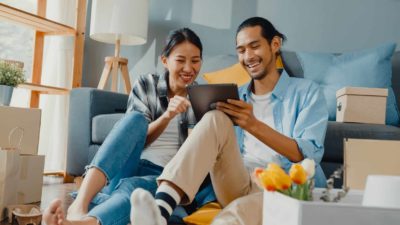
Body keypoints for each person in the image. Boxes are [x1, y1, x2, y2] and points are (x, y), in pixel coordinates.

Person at [129, 17, 329, 225]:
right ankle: (160, 212)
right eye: (241, 50)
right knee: (214, 117)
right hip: (238, 182)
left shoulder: (306, 92)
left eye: (254, 46)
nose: (248, 56)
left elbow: (309, 155)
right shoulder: (233, 95)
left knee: (234, 215)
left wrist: (252, 125)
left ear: (275, 44)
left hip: (285, 187)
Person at [43, 28, 215, 225]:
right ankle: (80, 204)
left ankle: (82, 222)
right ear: (165, 60)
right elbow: (138, 137)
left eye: (195, 61)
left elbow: (196, 155)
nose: (188, 68)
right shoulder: (146, 84)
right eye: (180, 60)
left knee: (134, 190)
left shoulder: (202, 97)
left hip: (165, 176)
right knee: (135, 119)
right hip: (131, 163)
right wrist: (167, 116)